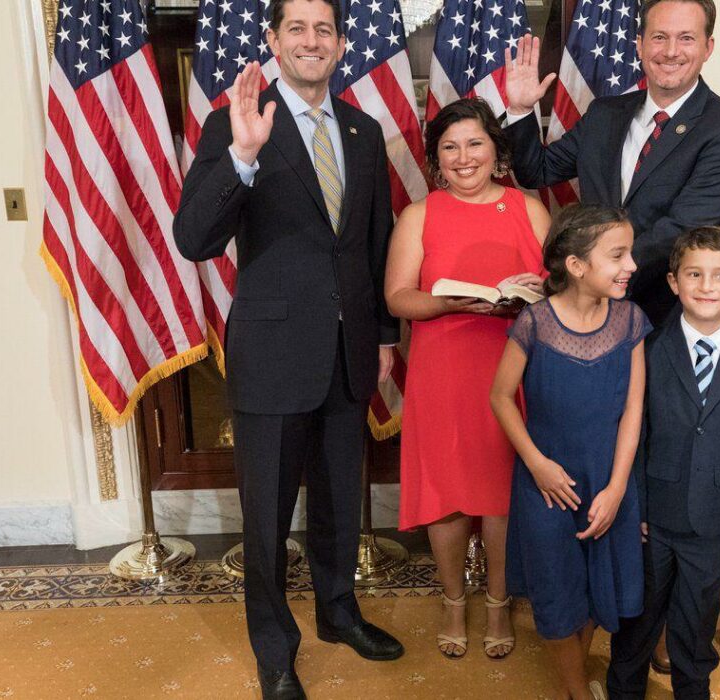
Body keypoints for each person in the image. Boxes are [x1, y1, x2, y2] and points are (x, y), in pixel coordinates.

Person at [174, 0, 405, 697]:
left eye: (324, 29)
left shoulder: (364, 132)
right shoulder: (235, 123)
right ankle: (274, 651)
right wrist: (241, 155)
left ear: (340, 44)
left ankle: (339, 614)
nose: (312, 40)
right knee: (270, 517)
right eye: (296, 29)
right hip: (272, 352)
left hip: (350, 350)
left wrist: (386, 335)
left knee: (340, 500)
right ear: (273, 41)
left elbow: (373, 239)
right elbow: (194, 240)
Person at [385, 98, 549, 661]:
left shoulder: (529, 209)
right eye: (449, 147)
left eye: (475, 143)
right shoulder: (418, 215)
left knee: (504, 493)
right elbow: (398, 295)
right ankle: (454, 599)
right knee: (448, 492)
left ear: (497, 152)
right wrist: (446, 301)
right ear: (435, 159)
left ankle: (500, 602)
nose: (464, 157)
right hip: (445, 368)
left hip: (516, 366)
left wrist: (527, 296)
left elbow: (559, 288)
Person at [502, 0, 720, 326]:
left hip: (661, 318)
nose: (671, 51)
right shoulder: (604, 114)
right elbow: (536, 171)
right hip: (586, 315)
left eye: (686, 38)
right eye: (659, 37)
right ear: (639, 44)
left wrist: (589, 277)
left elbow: (682, 229)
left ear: (708, 47)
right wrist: (521, 109)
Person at [606, 227, 720, 699]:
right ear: (672, 282)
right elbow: (635, 436)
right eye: (694, 275)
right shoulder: (648, 349)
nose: (707, 286)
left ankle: (692, 689)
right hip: (654, 517)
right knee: (638, 618)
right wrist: (633, 506)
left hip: (715, 519)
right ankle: (625, 690)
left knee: (696, 616)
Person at [491, 205, 650, 700]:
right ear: (578, 266)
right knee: (558, 591)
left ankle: (574, 678)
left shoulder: (630, 320)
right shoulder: (535, 323)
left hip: (609, 478)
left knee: (601, 587)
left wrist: (619, 487)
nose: (632, 265)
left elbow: (633, 409)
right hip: (548, 483)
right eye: (618, 255)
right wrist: (537, 465)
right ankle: (578, 693)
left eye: (631, 253)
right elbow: (500, 397)